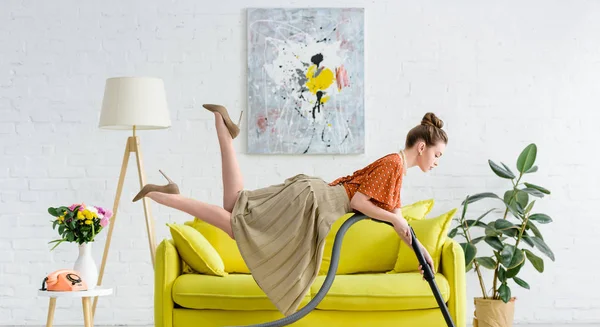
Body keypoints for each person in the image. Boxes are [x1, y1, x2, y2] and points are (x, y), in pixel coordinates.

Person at [133, 105, 448, 316]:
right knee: (236, 225)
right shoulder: (393, 163)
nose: (437, 161)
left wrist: (420, 251)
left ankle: (220, 135)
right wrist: (393, 217)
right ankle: (168, 197)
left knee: (234, 205)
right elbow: (358, 204)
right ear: (422, 146)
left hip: (314, 200)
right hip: (314, 202)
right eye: (437, 154)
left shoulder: (397, 169)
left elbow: (398, 222)